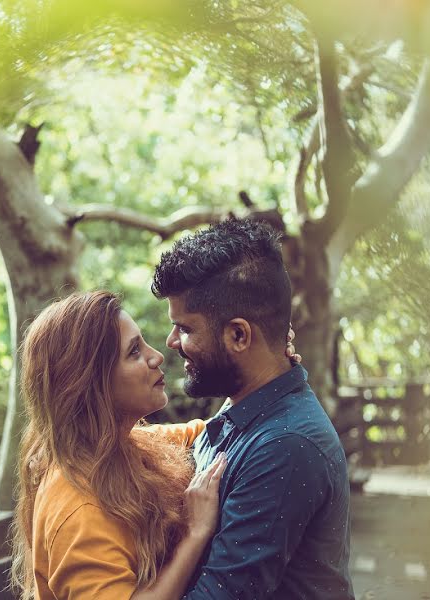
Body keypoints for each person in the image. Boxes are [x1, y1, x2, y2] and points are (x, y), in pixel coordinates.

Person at [151, 217, 355, 599]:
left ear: (239, 335)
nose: (171, 341)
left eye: (186, 328)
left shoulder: (285, 446)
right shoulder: (243, 414)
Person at [11, 290, 229, 599]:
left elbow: (210, 430)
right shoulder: (78, 507)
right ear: (90, 383)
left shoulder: (120, 446)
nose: (156, 356)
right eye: (134, 352)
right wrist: (195, 534)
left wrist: (266, 365)